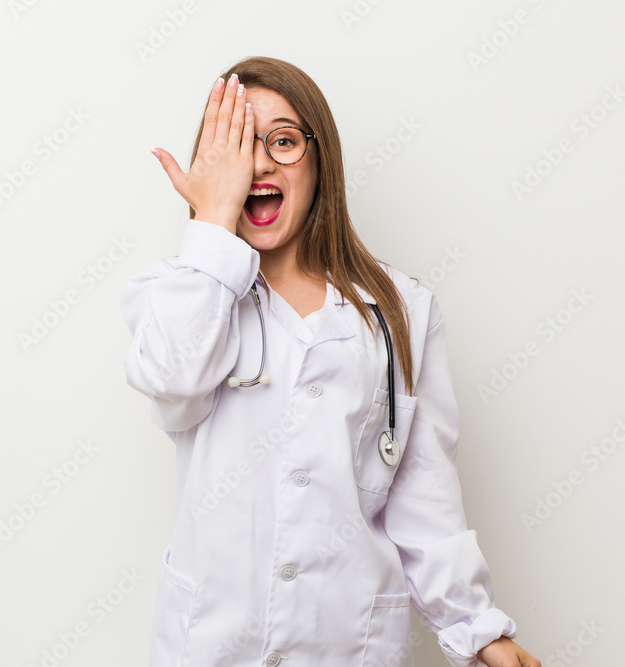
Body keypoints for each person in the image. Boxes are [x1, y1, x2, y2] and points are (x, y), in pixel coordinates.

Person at [123, 56, 540, 667]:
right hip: (213, 644)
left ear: (321, 162)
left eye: (284, 141)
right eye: (239, 146)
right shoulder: (178, 291)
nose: (260, 163)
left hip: (348, 643)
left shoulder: (402, 312)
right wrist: (213, 219)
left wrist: (480, 631)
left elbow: (424, 501)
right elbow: (172, 382)